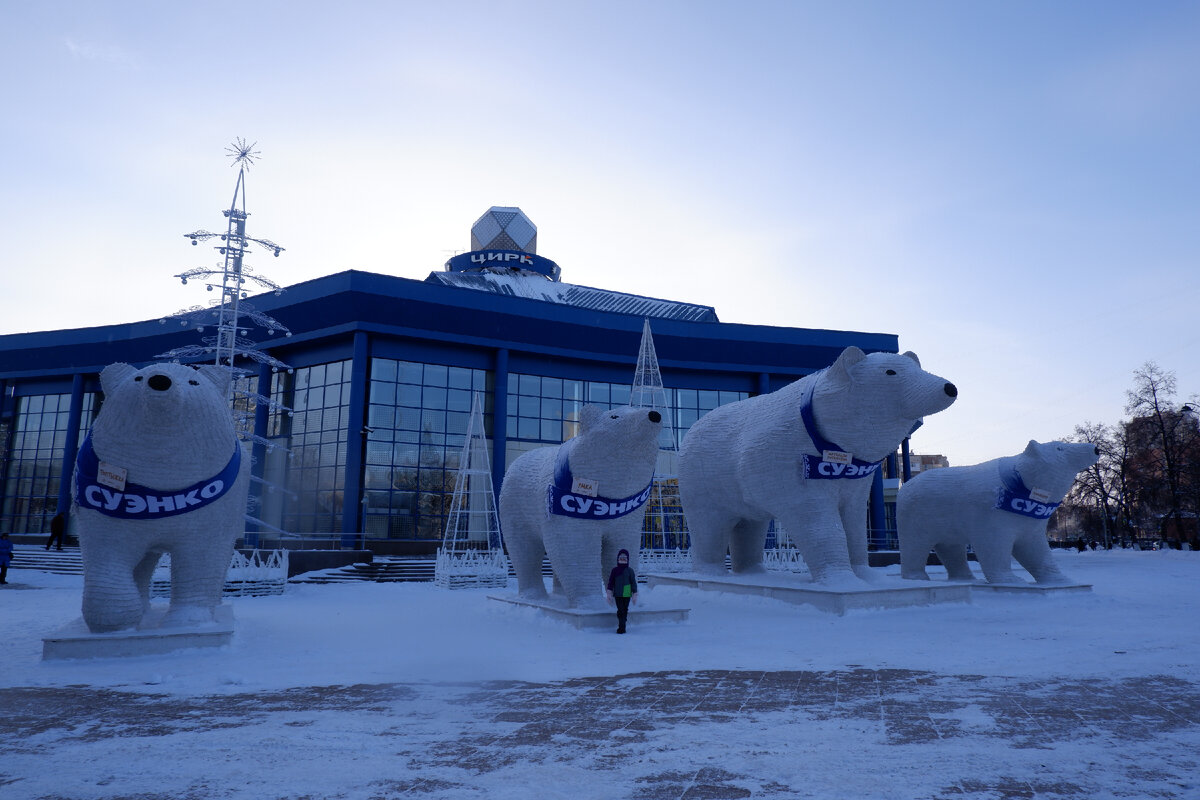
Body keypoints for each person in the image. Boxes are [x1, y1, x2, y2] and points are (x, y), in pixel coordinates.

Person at [605, 548, 638, 634]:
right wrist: (609, 592)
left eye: (624, 558)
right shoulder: (615, 570)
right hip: (618, 594)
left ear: (627, 559)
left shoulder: (630, 570)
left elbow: (633, 582)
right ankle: (621, 626)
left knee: (625, 609)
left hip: (627, 593)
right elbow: (611, 581)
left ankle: (622, 626)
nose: (622, 559)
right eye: (621, 558)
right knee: (620, 610)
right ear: (618, 558)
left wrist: (634, 593)